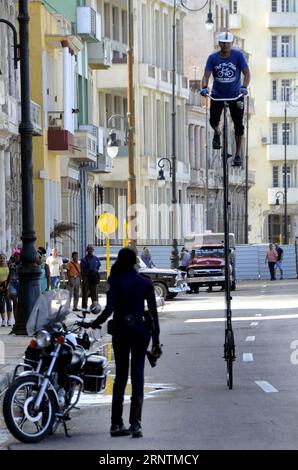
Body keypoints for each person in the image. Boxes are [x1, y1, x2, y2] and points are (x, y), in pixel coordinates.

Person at [90, 248, 161, 438]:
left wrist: (95, 323)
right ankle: (136, 425)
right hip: (141, 332)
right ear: (134, 262)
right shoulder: (145, 283)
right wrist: (156, 340)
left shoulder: (115, 280)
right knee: (138, 376)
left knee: (120, 378)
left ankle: (116, 424)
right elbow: (153, 313)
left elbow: (109, 309)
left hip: (121, 332)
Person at [200, 31, 251, 167]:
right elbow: (206, 75)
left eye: (228, 43)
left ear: (231, 44)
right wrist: (204, 87)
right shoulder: (213, 58)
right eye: (223, 43)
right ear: (219, 44)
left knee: (239, 125)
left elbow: (247, 73)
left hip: (236, 95)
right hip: (217, 95)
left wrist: (244, 87)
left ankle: (238, 154)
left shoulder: (238, 56)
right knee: (213, 120)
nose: (226, 46)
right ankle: (217, 132)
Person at [80, 245, 101, 309]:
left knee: (94, 293)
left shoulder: (96, 258)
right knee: (85, 293)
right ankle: (84, 307)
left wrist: (95, 272)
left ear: (93, 250)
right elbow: (82, 269)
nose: (90, 250)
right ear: (87, 250)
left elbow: (98, 266)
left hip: (94, 277)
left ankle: (95, 306)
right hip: (86, 277)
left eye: (91, 249)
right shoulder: (84, 259)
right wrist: (83, 277)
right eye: (89, 249)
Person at [0, 254, 13, 327]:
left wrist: (7, 286)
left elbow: (11, 278)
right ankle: (3, 321)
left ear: (6, 259)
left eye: (3, 258)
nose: (2, 260)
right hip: (1, 288)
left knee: (8, 303)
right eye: (0, 258)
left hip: (8, 288)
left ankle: (9, 320)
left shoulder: (9, 268)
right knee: (1, 305)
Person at [8, 249, 21, 320]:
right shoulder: (11, 263)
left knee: (20, 302)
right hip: (12, 283)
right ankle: (16, 320)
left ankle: (20, 318)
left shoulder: (22, 263)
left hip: (20, 283)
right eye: (14, 256)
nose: (15, 258)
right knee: (15, 302)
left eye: (17, 256)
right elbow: (9, 266)